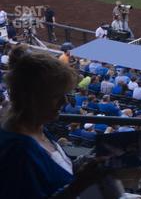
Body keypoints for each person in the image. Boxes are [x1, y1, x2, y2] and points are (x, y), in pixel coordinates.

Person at [0, 45, 117, 198]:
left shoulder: (38, 128)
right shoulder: (17, 151)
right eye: (56, 96)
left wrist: (86, 162)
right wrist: (79, 185)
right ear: (31, 98)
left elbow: (57, 172)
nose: (65, 101)